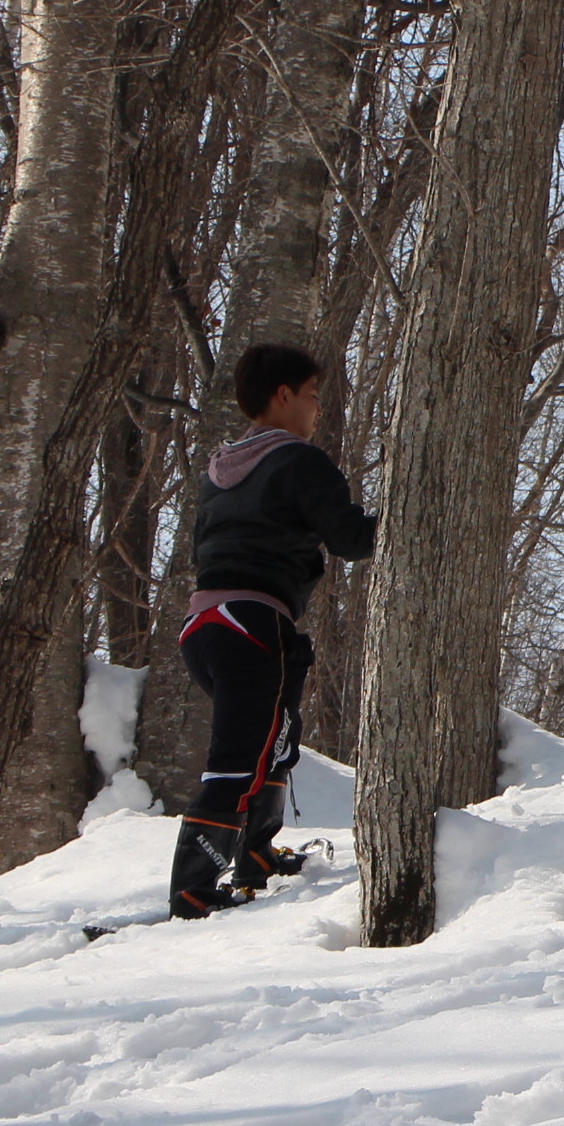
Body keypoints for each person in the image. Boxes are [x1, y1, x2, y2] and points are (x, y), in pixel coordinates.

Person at [171, 342, 378, 919]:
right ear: (283, 396)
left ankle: (255, 856)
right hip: (254, 623)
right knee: (240, 755)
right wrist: (409, 517)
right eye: (312, 396)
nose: (317, 410)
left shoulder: (218, 473)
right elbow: (350, 539)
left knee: (274, 738)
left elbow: (201, 549)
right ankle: (193, 890)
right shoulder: (298, 460)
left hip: (207, 623)